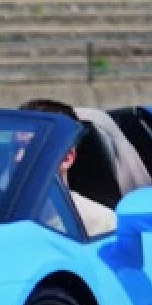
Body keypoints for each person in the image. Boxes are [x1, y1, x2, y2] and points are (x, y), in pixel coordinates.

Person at [18, 98, 117, 237]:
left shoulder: (101, 224)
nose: (18, 158)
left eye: (31, 149)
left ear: (66, 158)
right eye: (14, 147)